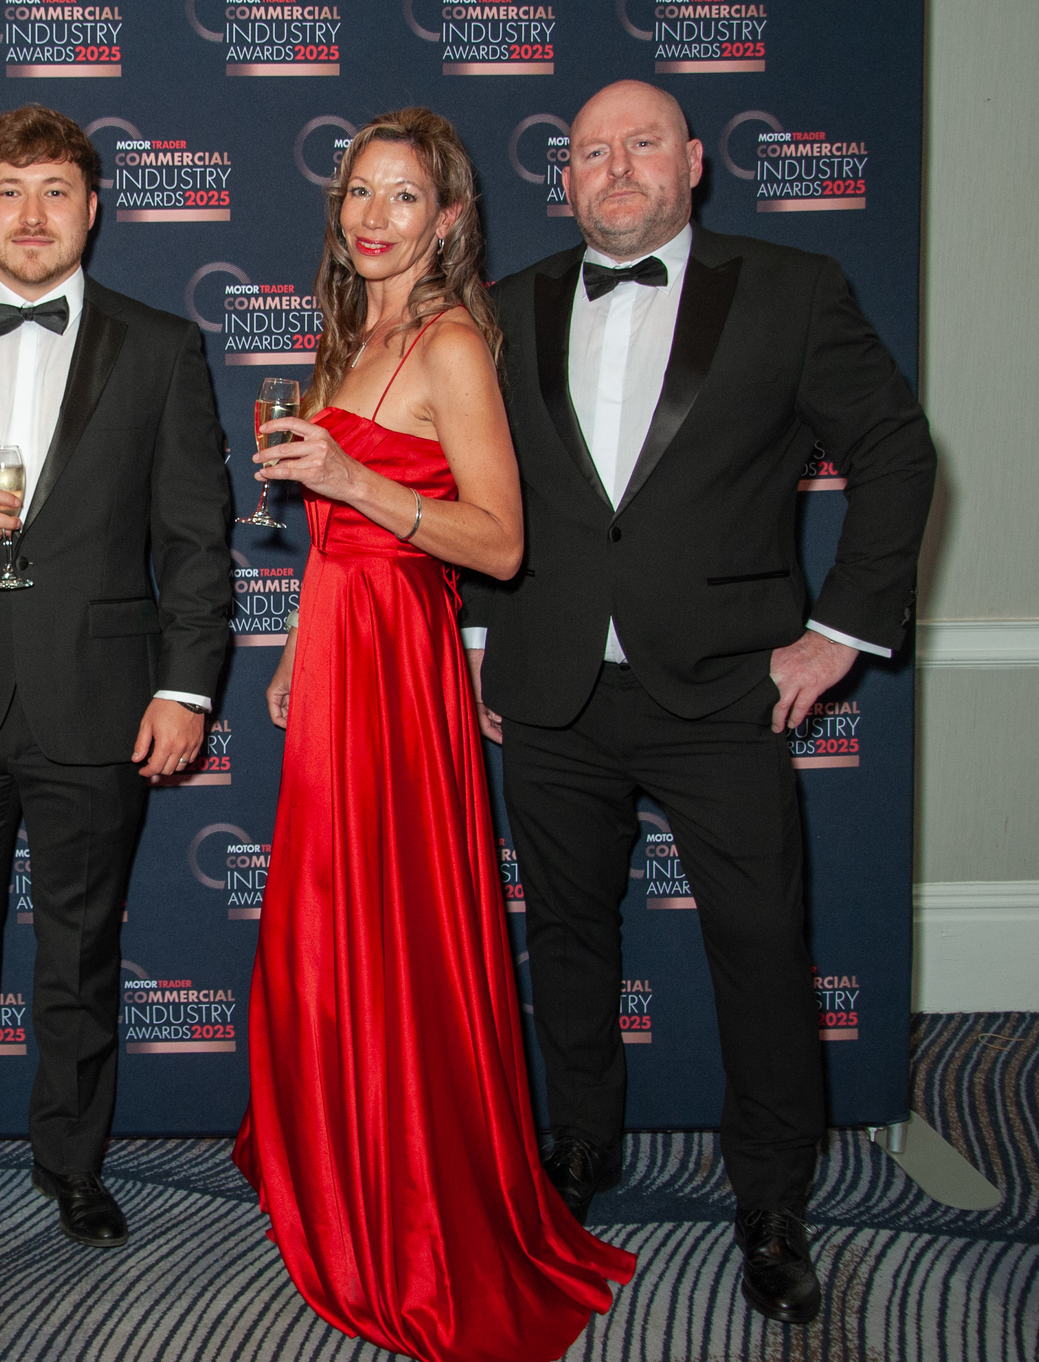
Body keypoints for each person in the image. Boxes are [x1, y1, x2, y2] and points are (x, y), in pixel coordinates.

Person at [463, 80, 936, 1325]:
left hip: (725, 686)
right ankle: (578, 1146)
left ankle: (770, 1199)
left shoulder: (791, 290)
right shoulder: (505, 308)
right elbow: (477, 488)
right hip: (551, 686)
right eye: (589, 152)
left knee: (760, 947)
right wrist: (478, 638)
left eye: (641, 145)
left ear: (693, 161)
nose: (614, 169)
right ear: (562, 179)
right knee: (567, 939)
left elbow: (894, 451)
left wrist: (838, 633)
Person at [230, 107, 637, 1358]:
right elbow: (335, 540)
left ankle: (406, 1205)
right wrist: (298, 640)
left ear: (447, 220)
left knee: (393, 929)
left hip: (400, 663)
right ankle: (336, 1165)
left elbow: (498, 543)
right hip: (340, 648)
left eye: (402, 196)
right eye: (358, 192)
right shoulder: (348, 335)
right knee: (323, 927)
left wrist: (350, 479)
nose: (373, 217)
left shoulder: (451, 342)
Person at [0, 105, 233, 1251]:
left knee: (78, 954)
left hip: (98, 699)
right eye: (9, 191)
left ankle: (72, 1167)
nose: (31, 214)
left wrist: (185, 689)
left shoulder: (160, 346)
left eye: (55, 190)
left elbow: (194, 537)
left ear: (91, 206)